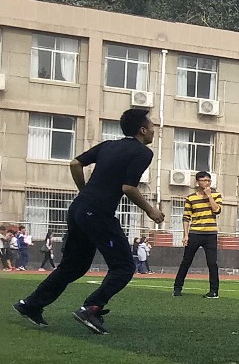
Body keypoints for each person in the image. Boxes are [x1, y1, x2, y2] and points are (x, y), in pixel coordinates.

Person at [14, 107, 164, 332]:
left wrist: (84, 191)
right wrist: (151, 211)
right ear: (143, 130)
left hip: (78, 209)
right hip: (99, 213)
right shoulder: (143, 152)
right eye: (152, 126)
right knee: (124, 266)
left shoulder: (108, 145)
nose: (154, 130)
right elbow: (128, 187)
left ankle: (31, 305)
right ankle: (91, 308)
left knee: (73, 266)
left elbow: (75, 163)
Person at [172, 170, 223, 298]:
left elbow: (217, 210)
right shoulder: (191, 198)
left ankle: (214, 291)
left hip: (210, 234)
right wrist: (185, 235)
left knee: (212, 263)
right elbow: (186, 217)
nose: (207, 183)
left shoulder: (216, 195)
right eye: (204, 180)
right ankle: (177, 288)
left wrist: (209, 196)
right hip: (195, 233)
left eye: (209, 180)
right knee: (186, 261)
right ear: (197, 182)